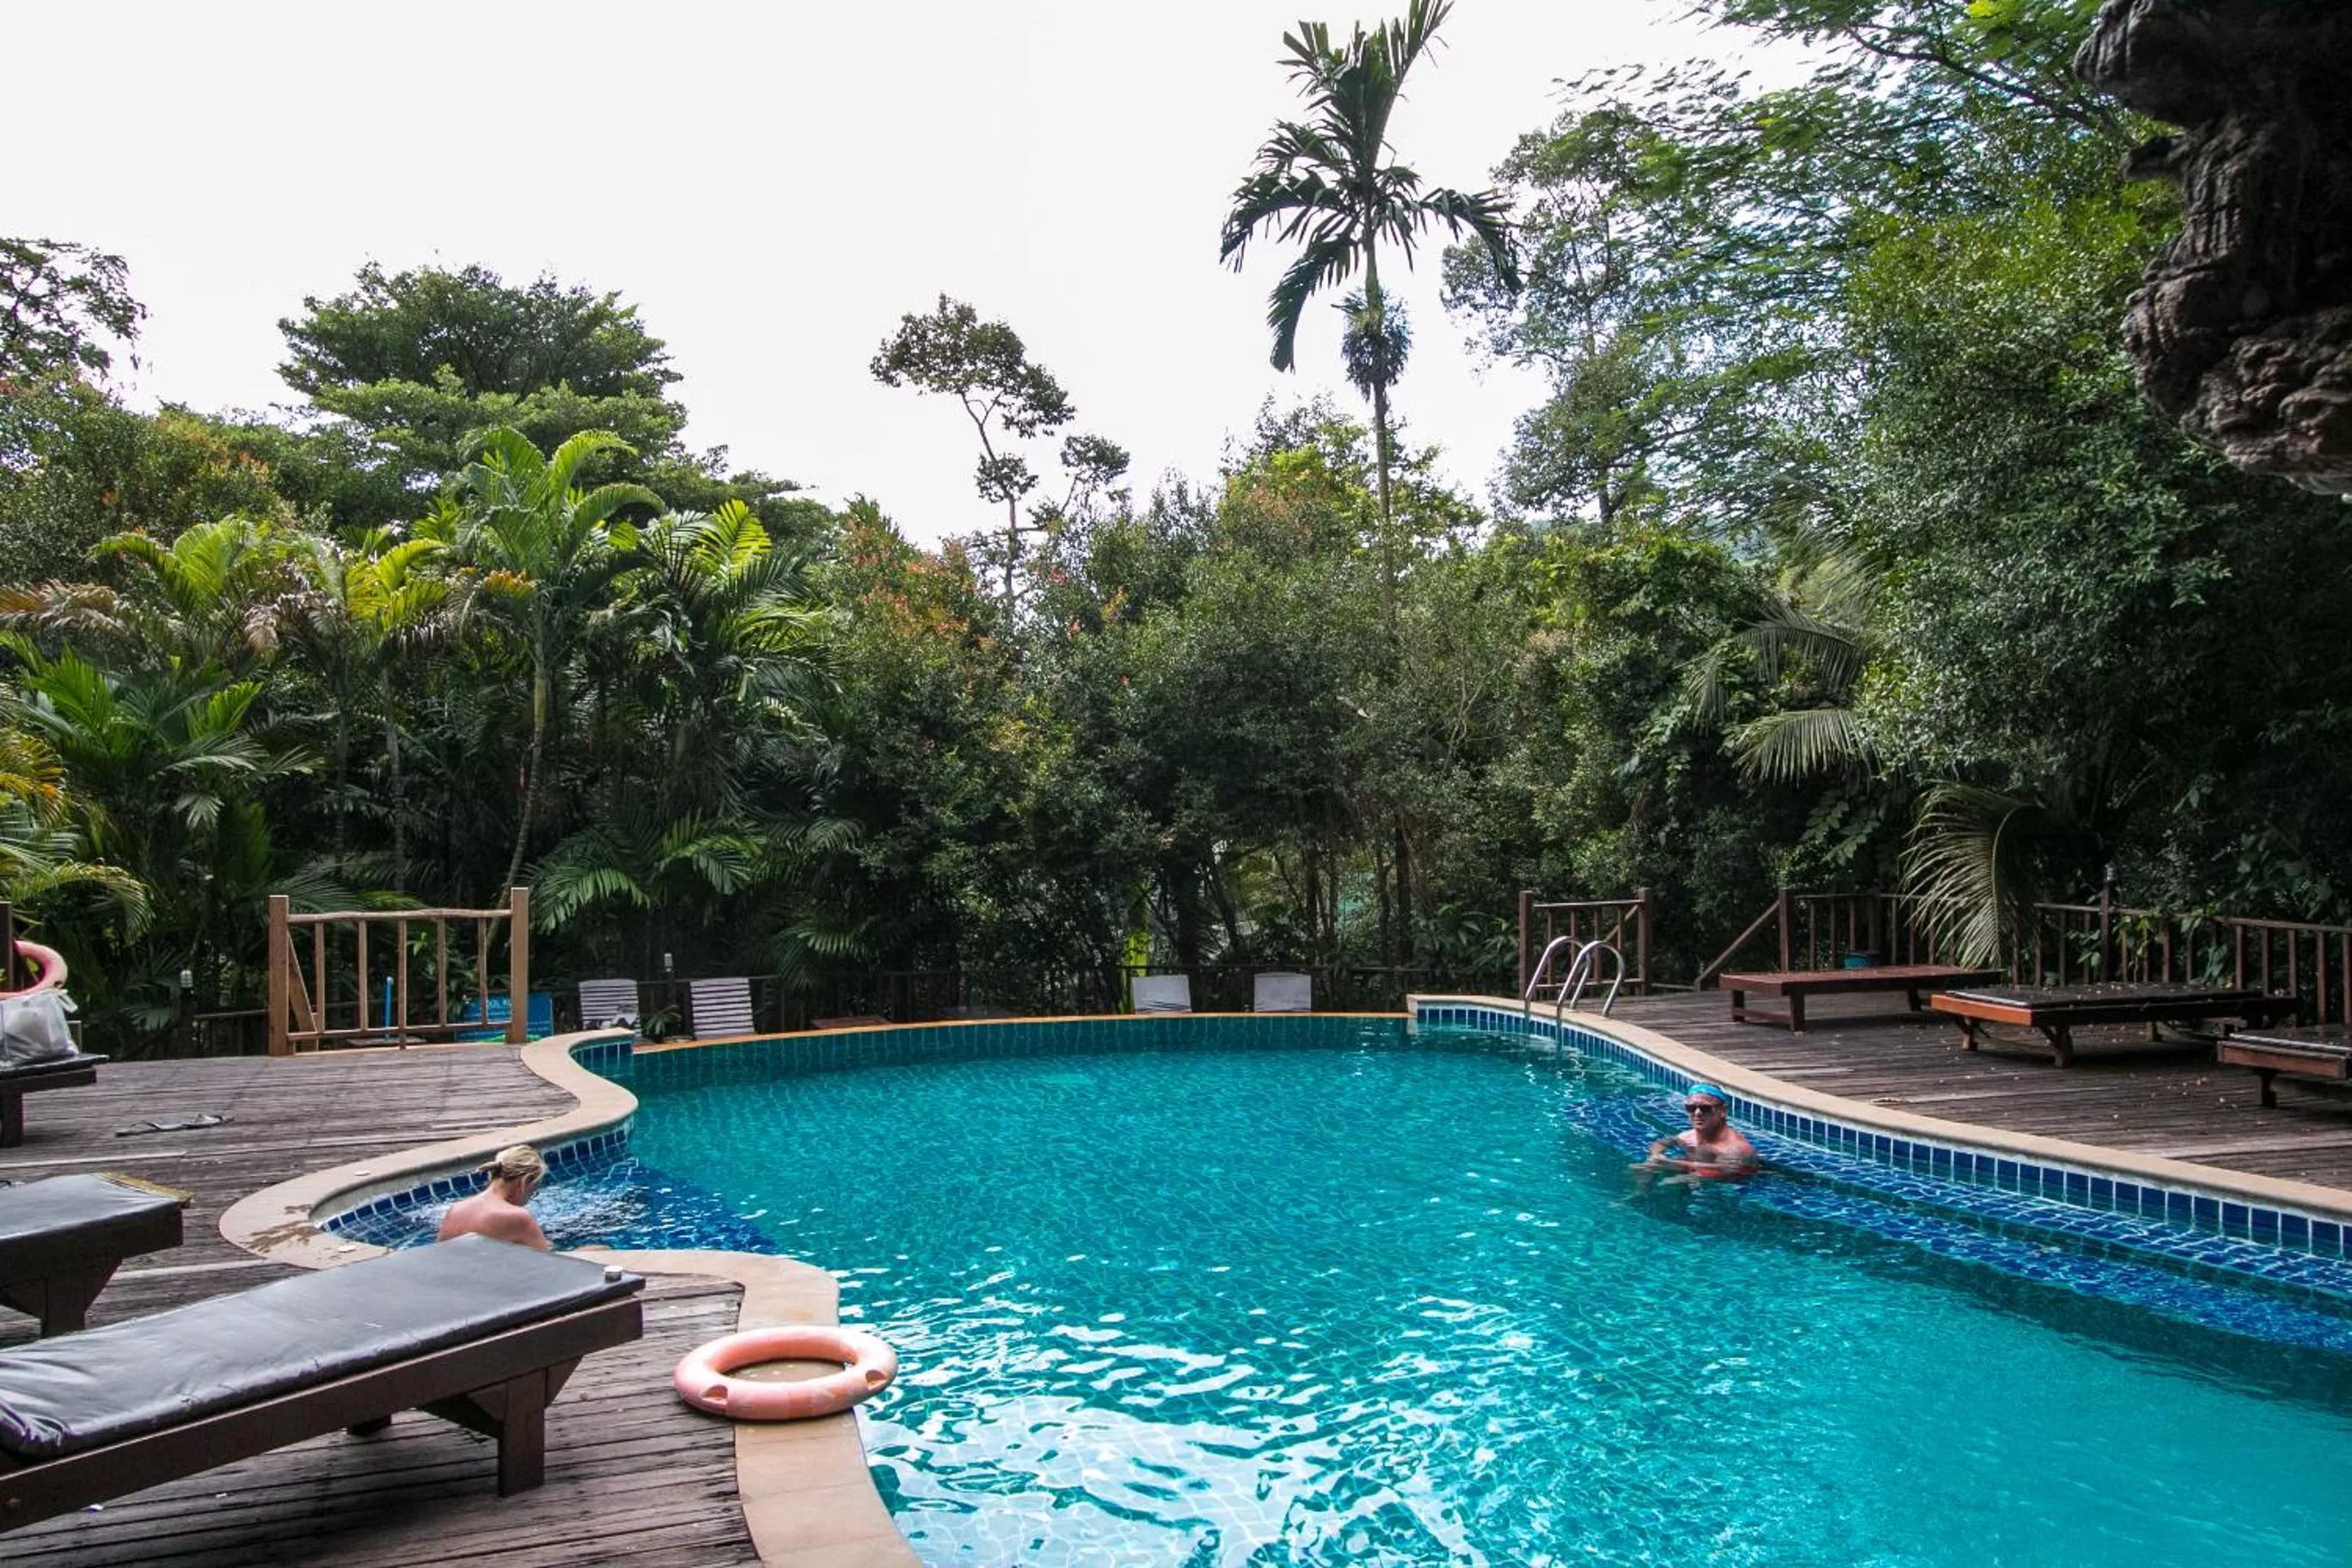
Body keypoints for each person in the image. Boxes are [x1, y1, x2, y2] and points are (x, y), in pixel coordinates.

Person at [436, 1143, 552, 1249]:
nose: (527, 1201)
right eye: (532, 1192)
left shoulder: (455, 1209)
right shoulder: (518, 1216)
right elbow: (547, 1261)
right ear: (524, 1182)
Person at [1638, 1084, 1759, 1184]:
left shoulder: (1735, 1148)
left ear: (1723, 1111)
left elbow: (1727, 1169)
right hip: (1697, 1167)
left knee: (1671, 1183)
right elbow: (1662, 1143)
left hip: (1732, 1181)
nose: (1697, 1113)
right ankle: (1641, 1195)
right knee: (1644, 1167)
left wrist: (1672, 1163)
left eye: (1705, 1108)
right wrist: (1656, 1154)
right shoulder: (1688, 1136)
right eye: (1691, 1108)